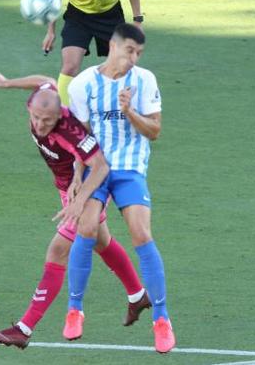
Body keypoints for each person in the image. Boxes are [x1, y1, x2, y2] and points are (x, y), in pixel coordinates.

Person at [0, 75, 150, 349]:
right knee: (101, 241)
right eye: (36, 118)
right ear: (31, 107)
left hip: (92, 189)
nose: (39, 125)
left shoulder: (69, 130)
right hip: (69, 188)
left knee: (57, 251)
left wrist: (80, 198)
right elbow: (45, 80)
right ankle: (138, 296)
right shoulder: (43, 96)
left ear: (57, 117)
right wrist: (7, 83)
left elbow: (100, 166)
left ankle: (23, 328)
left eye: (47, 121)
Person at [63, 23, 175, 353]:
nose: (133, 58)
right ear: (112, 46)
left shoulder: (145, 81)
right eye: (129, 50)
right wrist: (75, 178)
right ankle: (74, 310)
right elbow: (80, 137)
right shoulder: (83, 83)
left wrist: (130, 112)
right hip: (97, 168)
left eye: (138, 53)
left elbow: (154, 130)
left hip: (129, 167)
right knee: (86, 227)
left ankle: (162, 318)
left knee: (141, 233)